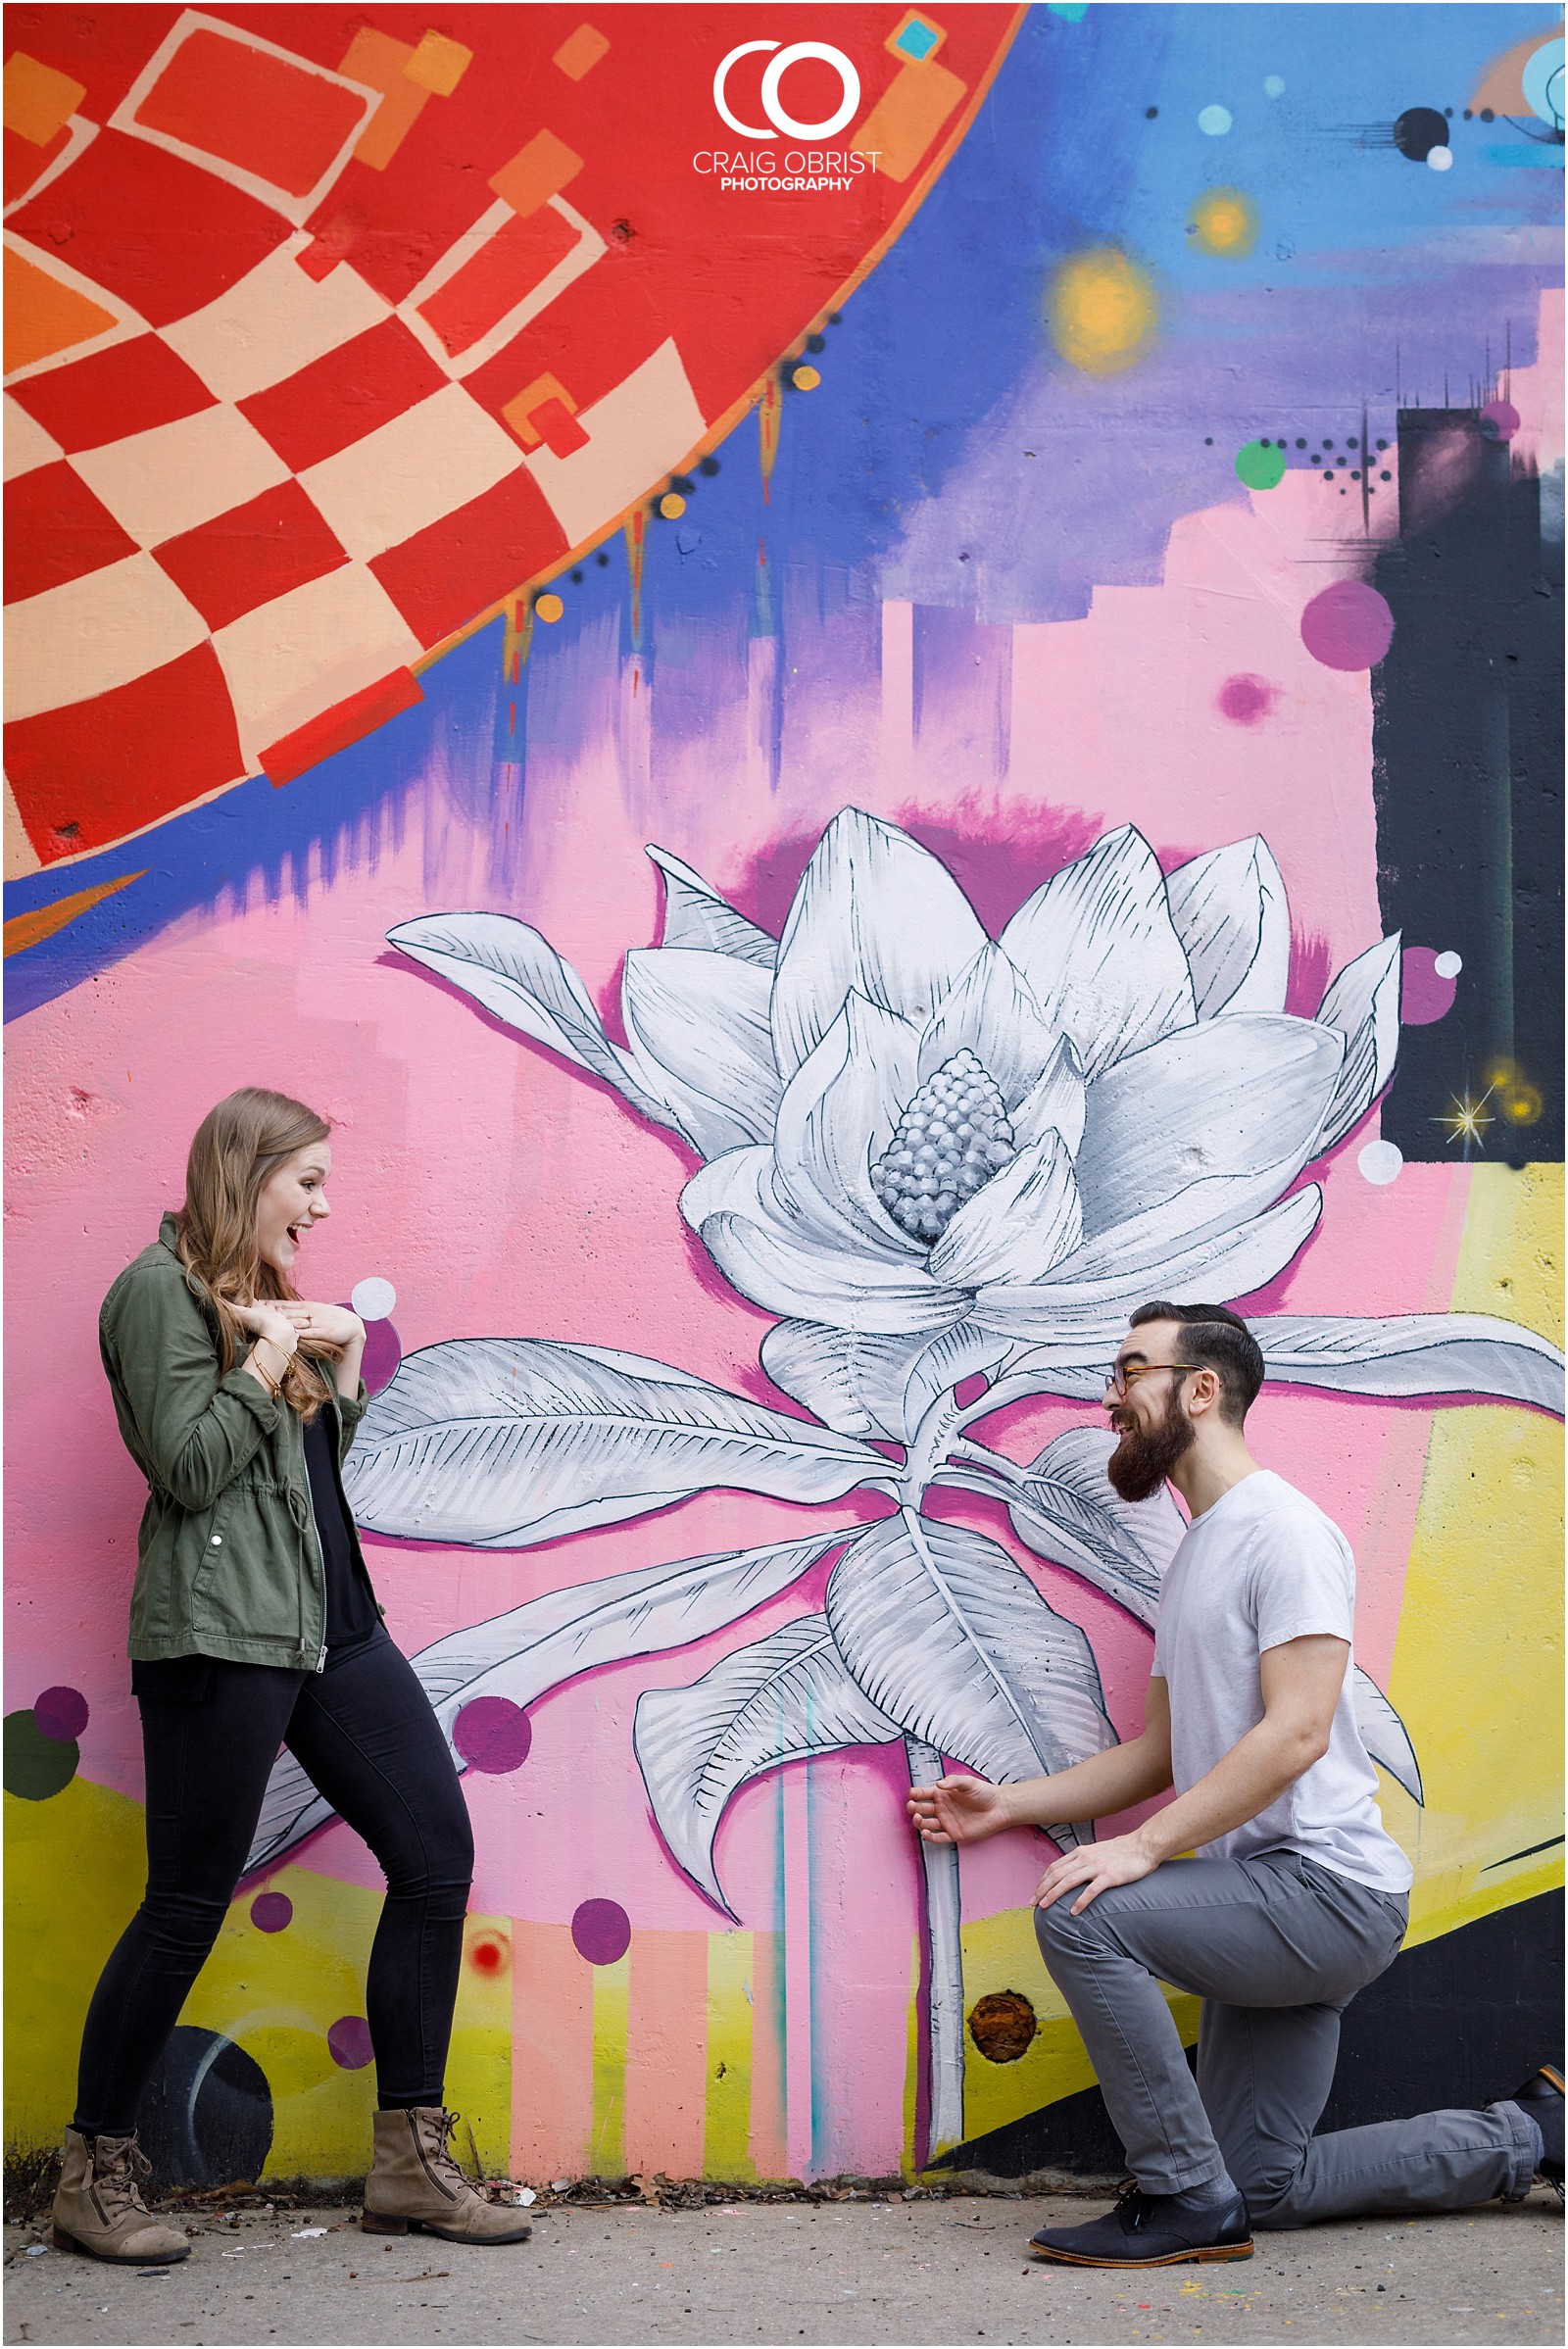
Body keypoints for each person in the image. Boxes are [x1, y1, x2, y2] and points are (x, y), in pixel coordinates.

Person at [908, 1299, 1562, 2269]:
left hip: (1322, 1893)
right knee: (1260, 2186)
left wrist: (1142, 1846)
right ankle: (1535, 2138)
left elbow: (1295, 1731)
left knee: (1083, 1914)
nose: (1109, 1397)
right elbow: (1161, 1754)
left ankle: (1177, 2196)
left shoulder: (1284, 1532)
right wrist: (1012, 1802)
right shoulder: (1197, 1554)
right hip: (1267, 1903)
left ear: (1200, 1389)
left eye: (1130, 1371)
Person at [54, 1089, 530, 2263]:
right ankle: (92, 2172)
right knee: (186, 1902)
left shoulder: (259, 1300)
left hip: (334, 1629)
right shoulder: (155, 1293)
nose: (322, 1204)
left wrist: (345, 1364)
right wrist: (269, 1349)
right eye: (305, 1180)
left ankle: (409, 2167)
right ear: (246, 1172)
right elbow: (188, 1467)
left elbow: (304, 1483)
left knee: (434, 1857)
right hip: (221, 1634)